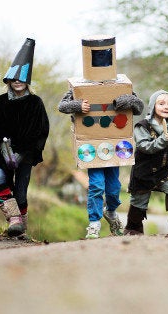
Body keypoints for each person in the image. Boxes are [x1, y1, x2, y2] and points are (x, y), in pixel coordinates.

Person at [0, 38, 50, 237]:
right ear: (9, 80)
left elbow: (41, 130)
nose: (18, 82)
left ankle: (21, 231)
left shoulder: (36, 103)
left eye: (21, 79)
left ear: (27, 80)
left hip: (26, 152)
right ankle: (14, 218)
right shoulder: (1, 101)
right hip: (2, 150)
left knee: (21, 192)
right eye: (14, 79)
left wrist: (26, 152)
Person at [58, 90, 144, 239]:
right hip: (91, 148)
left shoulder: (119, 85)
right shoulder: (80, 87)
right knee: (96, 185)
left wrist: (122, 102)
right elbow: (62, 106)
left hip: (114, 146)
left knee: (114, 188)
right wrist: (78, 105)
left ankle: (111, 212)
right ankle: (94, 223)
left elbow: (139, 107)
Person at [124, 90, 168, 235]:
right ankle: (133, 227)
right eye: (161, 103)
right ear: (152, 106)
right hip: (143, 171)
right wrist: (163, 139)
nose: (166, 107)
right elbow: (145, 147)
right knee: (139, 200)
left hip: (162, 171)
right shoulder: (142, 126)